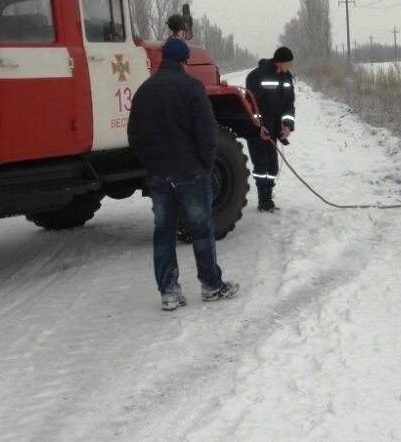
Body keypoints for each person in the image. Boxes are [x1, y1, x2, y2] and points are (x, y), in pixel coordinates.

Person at [127, 38, 240, 310]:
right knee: (201, 230)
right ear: (184, 61)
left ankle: (169, 293)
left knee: (164, 233)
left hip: (159, 175)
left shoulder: (145, 90)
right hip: (190, 171)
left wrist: (150, 163)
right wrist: (205, 164)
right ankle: (211, 286)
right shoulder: (192, 87)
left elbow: (134, 135)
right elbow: (207, 131)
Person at [245, 46, 296, 212]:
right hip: (257, 129)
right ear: (281, 61)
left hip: (273, 129)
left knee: (272, 166)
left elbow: (289, 104)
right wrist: (259, 126)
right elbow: (252, 105)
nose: (290, 66)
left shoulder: (287, 78)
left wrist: (287, 125)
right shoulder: (257, 76)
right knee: (261, 165)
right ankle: (263, 199)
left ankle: (268, 195)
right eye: (288, 63)